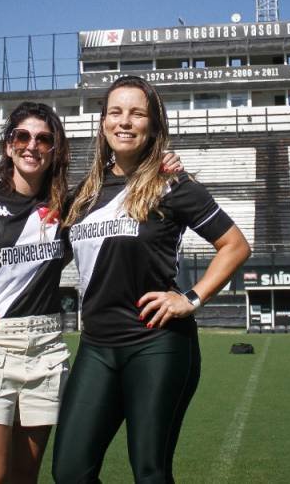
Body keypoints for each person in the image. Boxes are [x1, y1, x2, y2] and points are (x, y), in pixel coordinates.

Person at [0, 101, 184, 484]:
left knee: (24, 478)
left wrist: (163, 164)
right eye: (22, 136)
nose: (31, 145)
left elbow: (124, 194)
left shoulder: (68, 207)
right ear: (8, 145)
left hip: (46, 352)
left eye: (43, 139)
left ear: (55, 149)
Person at [52, 76, 251, 483]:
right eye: (115, 112)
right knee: (70, 472)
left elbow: (235, 246)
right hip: (96, 347)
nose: (124, 122)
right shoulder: (83, 195)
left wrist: (190, 298)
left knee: (150, 473)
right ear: (103, 122)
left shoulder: (173, 184)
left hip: (156, 345)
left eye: (137, 113)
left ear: (153, 125)